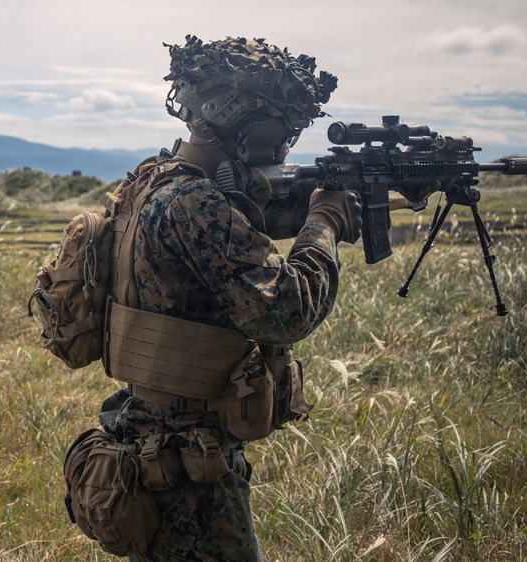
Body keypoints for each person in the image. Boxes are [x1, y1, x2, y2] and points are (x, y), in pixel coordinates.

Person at [92, 36, 361, 560]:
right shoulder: (196, 203)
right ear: (246, 128)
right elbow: (285, 312)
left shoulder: (156, 180)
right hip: (189, 460)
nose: (283, 151)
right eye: (279, 134)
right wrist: (324, 222)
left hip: (156, 434)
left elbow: (238, 233)